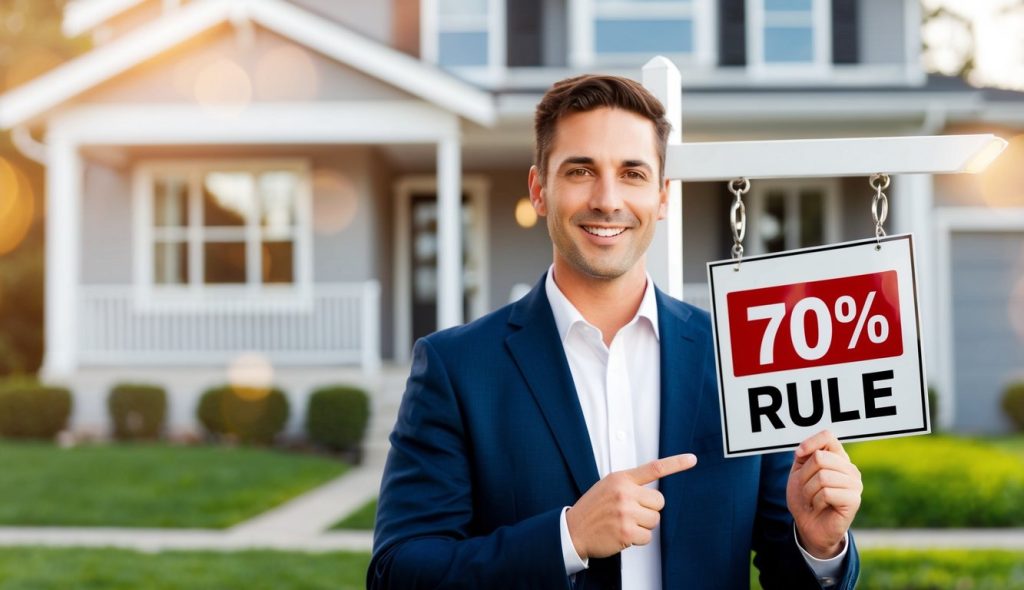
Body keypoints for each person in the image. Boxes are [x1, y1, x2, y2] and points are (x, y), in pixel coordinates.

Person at [368, 74, 862, 589]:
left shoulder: (743, 355)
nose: (607, 199)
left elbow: (788, 566)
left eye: (632, 173)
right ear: (540, 190)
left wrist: (821, 546)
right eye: (581, 170)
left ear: (662, 196)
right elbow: (398, 572)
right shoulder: (458, 368)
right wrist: (568, 537)